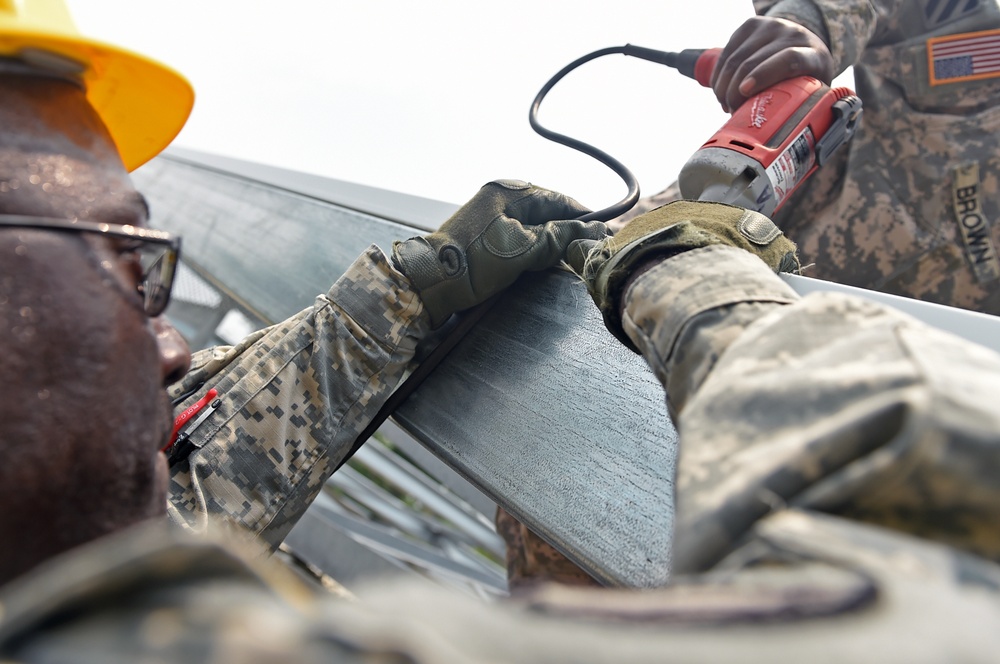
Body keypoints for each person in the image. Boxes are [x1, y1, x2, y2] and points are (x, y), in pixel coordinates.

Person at [614, 0, 1000, 316]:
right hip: (713, 222)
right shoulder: (985, 64)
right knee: (582, 250)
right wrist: (810, 21)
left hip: (810, 376)